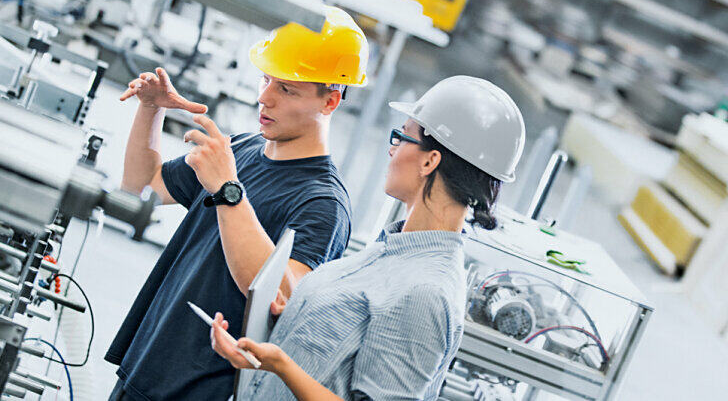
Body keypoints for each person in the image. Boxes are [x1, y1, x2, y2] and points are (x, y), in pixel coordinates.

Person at [105, 6, 369, 400]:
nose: (264, 98)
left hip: (202, 389)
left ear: (330, 101)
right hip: (147, 364)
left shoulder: (323, 203)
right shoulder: (242, 149)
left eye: (286, 89)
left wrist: (229, 189)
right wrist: (150, 109)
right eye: (266, 80)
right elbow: (141, 185)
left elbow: (279, 296)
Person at [210, 76, 526, 400]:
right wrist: (299, 317)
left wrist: (281, 364)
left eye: (401, 137)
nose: (392, 149)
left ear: (430, 160)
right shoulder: (393, 251)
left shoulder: (425, 292)